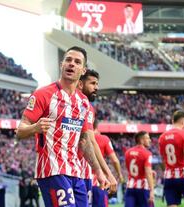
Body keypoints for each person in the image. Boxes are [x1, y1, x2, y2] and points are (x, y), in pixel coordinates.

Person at [16, 46, 110, 207]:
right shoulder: (43, 94)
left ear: (83, 70)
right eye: (68, 60)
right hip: (52, 169)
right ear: (61, 64)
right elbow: (19, 131)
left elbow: (85, 142)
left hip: (76, 172)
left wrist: (99, 172)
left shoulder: (84, 103)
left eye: (77, 62)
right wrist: (34, 128)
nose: (71, 64)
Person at [77, 69, 121, 207]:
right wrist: (110, 174)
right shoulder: (85, 107)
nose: (96, 87)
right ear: (80, 84)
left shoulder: (71, 102)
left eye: (97, 84)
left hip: (77, 172)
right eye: (93, 83)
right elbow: (90, 142)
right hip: (82, 174)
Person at [158, 110, 184, 207]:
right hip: (183, 175)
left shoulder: (162, 137)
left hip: (169, 177)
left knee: (172, 204)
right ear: (183, 122)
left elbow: (163, 159)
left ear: (173, 121)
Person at [124, 131, 154, 207]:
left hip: (130, 187)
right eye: (147, 138)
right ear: (141, 140)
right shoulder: (147, 153)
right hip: (143, 187)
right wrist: (152, 191)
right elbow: (148, 173)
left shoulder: (128, 152)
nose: (150, 140)